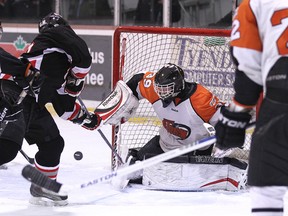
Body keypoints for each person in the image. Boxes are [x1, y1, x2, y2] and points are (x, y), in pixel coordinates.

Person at [0, 13, 101, 206]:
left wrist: (86, 118)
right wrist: (76, 78)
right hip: (14, 92)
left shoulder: (56, 62)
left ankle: (42, 187)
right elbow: (84, 57)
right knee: (6, 149)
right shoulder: (53, 35)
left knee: (53, 143)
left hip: (31, 103)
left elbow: (63, 107)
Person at [214, 0, 288, 215]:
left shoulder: (255, 3)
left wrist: (236, 115)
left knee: (268, 190)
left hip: (281, 101)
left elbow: (248, 66)